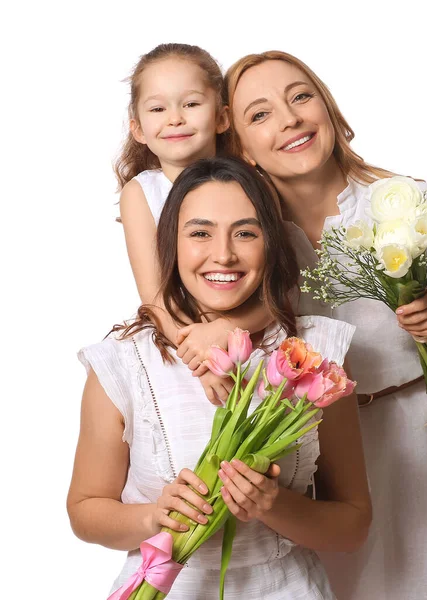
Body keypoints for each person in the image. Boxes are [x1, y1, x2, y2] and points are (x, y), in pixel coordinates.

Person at [226, 51, 427, 600]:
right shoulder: (245, 238)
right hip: (314, 460)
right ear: (239, 147)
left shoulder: (409, 204)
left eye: (301, 96)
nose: (289, 119)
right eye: (259, 115)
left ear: (328, 108)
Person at [67, 157, 371, 599]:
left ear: (271, 243)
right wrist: (154, 517)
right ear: (170, 243)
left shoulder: (312, 356)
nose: (224, 254)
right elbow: (84, 511)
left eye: (246, 232)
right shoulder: (126, 362)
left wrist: (273, 505)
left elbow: (353, 525)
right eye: (200, 233)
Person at [115, 42, 270, 406]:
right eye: (157, 108)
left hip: (258, 333)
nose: (175, 118)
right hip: (181, 345)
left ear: (221, 117)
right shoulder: (142, 193)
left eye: (191, 104)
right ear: (138, 128)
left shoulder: (254, 184)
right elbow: (155, 300)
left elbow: (282, 287)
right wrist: (203, 359)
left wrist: (227, 328)